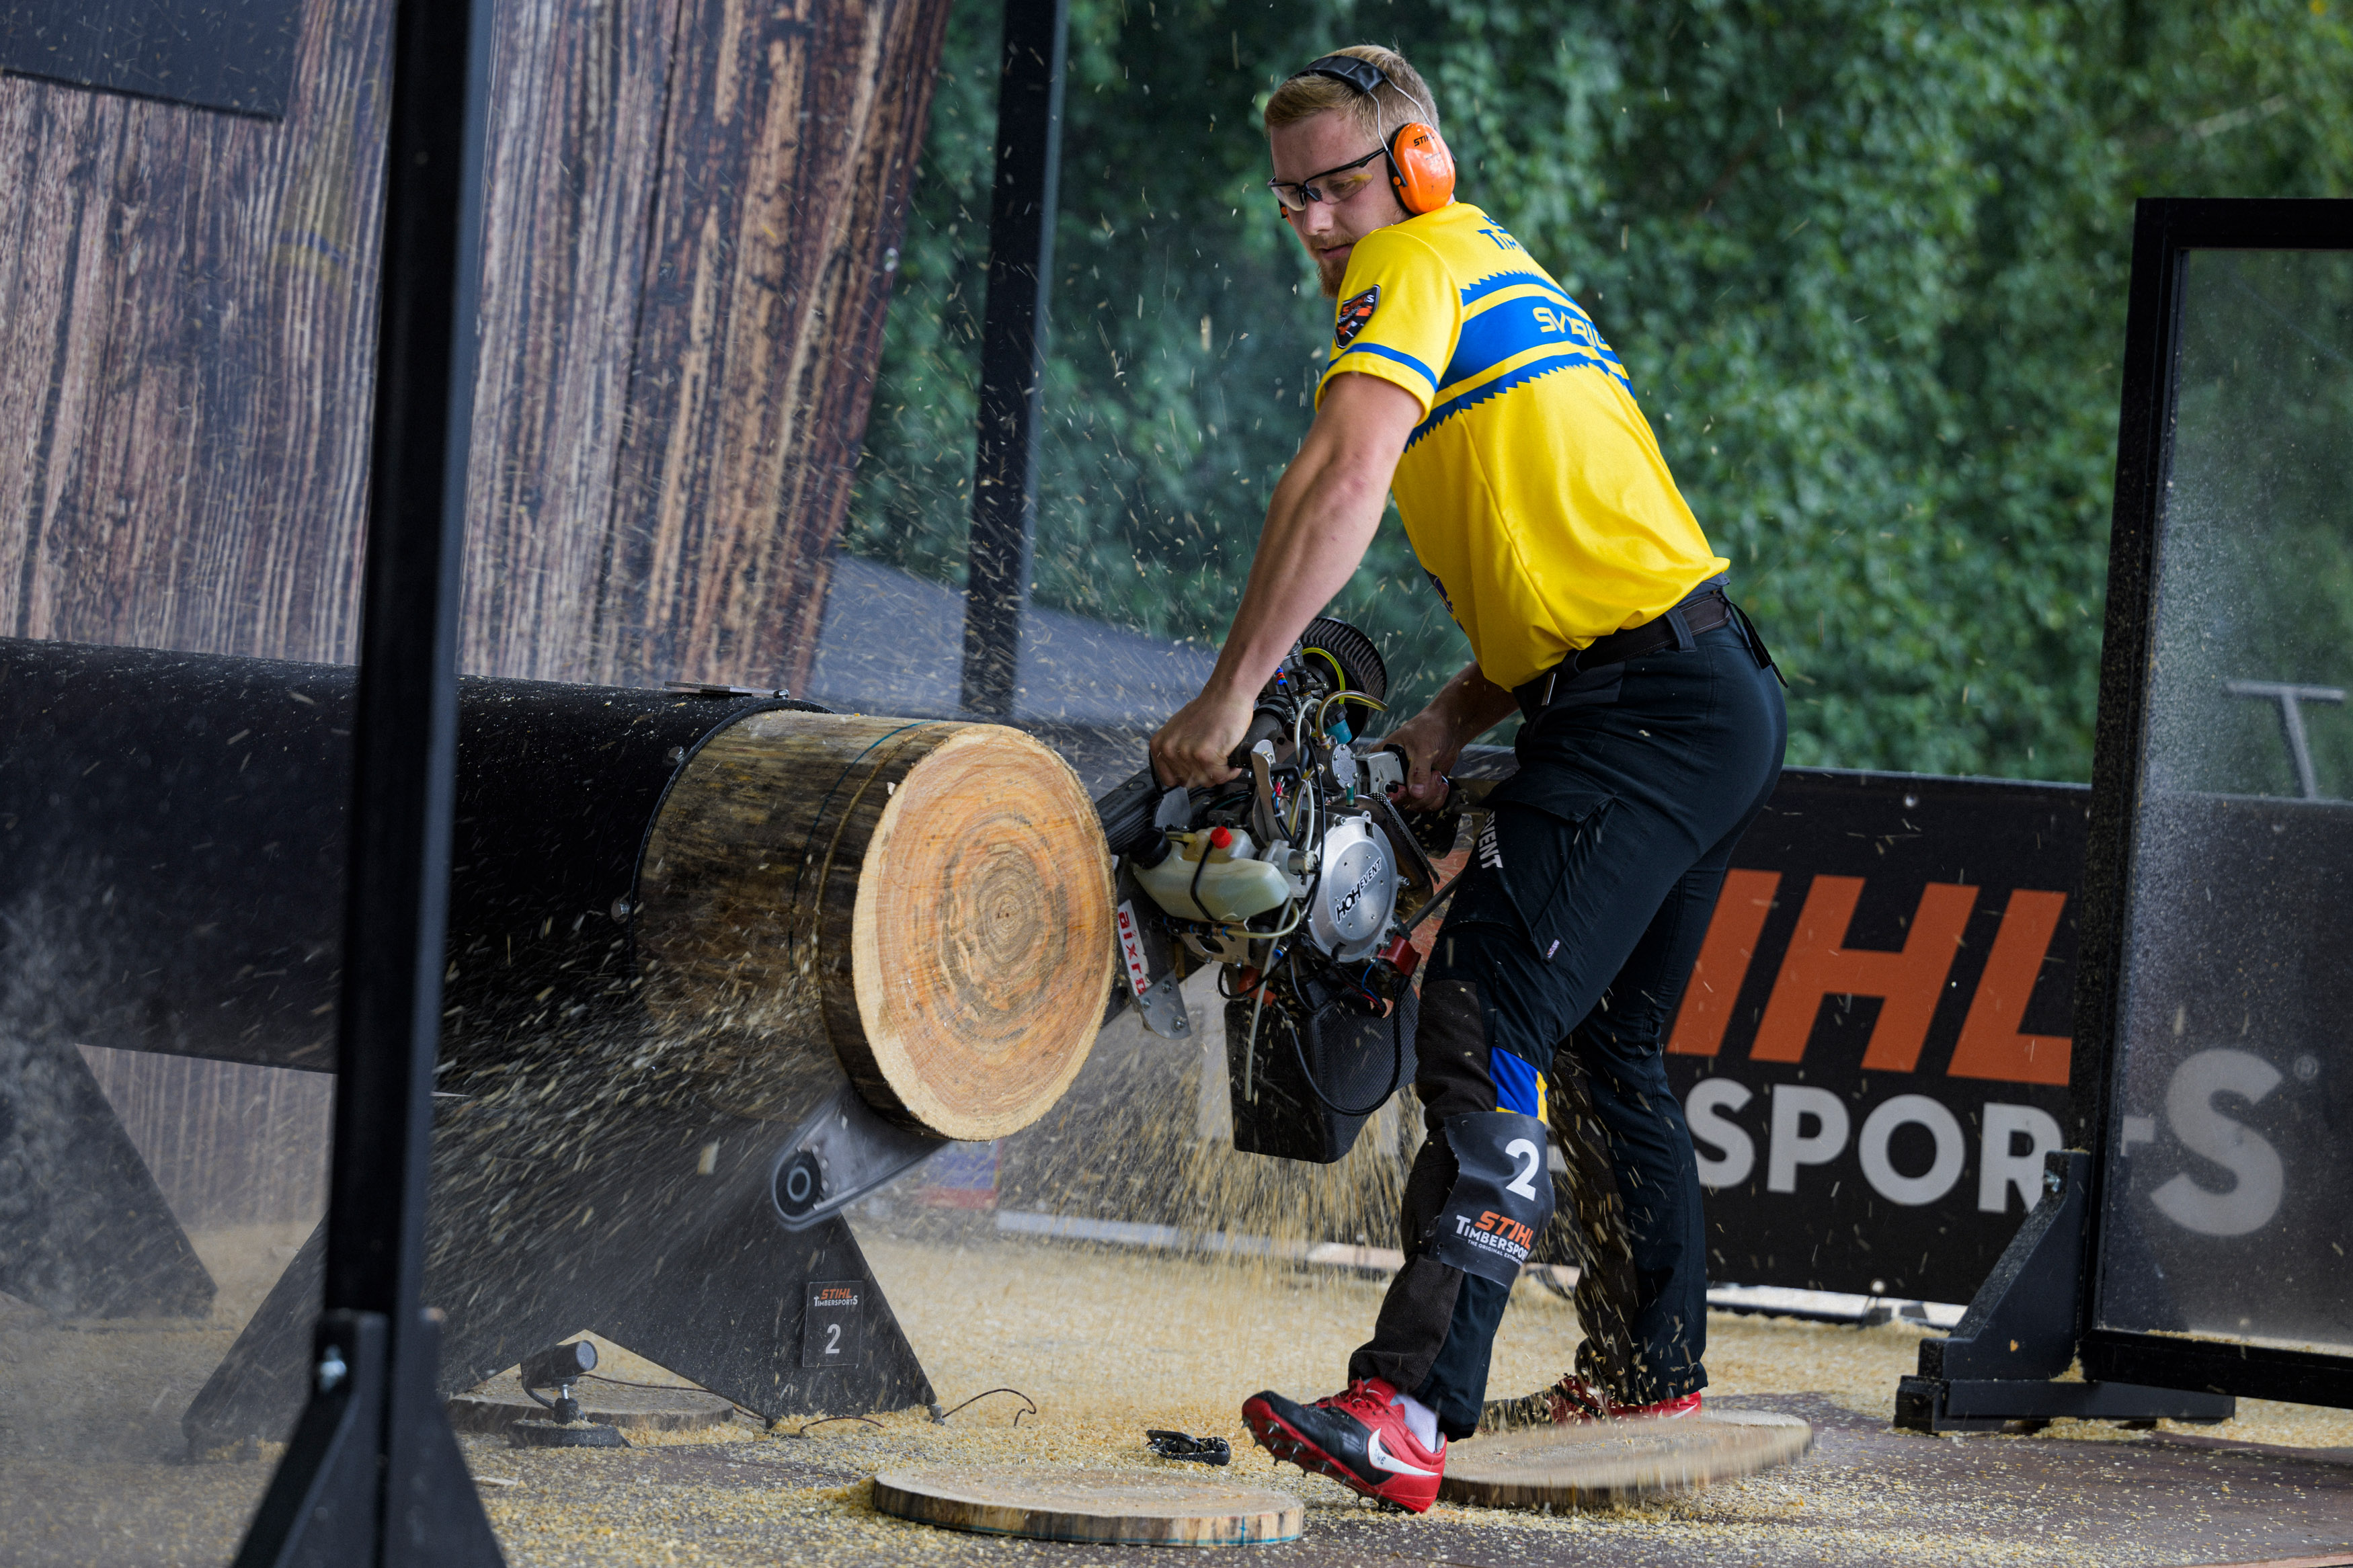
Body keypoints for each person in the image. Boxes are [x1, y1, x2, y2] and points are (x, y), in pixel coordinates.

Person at [1146, 44, 1788, 1512]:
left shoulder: (1416, 264)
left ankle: (1411, 1409)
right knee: (1602, 1050)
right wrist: (1448, 711)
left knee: (1486, 1004)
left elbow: (1335, 482)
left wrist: (1231, 693)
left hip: (1640, 709)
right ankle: (1647, 1370)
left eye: (1335, 187)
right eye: (1288, 198)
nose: (1312, 225)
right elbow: (1557, 552)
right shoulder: (1489, 272)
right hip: (1701, 689)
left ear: (1418, 162)